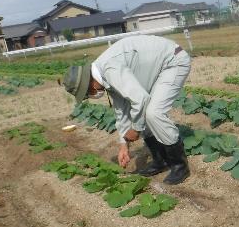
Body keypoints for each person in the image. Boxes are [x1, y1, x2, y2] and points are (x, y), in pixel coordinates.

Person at [62, 35, 191, 185]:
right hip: (160, 67)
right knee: (143, 113)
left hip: (173, 61)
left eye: (87, 94)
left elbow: (141, 99)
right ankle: (160, 160)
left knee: (153, 113)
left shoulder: (110, 70)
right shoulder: (104, 76)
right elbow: (121, 111)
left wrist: (136, 129)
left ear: (90, 85)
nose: (91, 96)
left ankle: (180, 166)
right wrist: (124, 144)